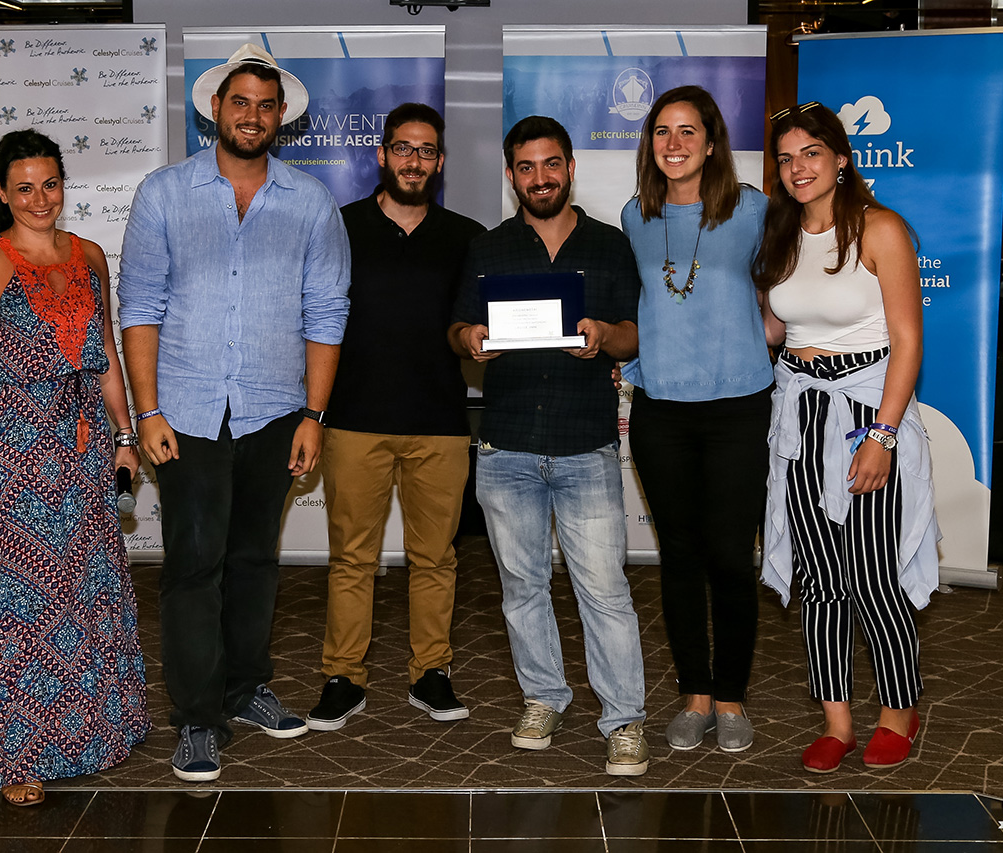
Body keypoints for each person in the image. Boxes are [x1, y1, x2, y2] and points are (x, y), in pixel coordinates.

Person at [118, 43, 351, 782]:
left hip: (276, 410)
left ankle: (246, 688)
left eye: (266, 105)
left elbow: (327, 311)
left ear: (281, 118)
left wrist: (315, 414)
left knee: (254, 560)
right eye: (240, 102)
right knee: (194, 565)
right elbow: (140, 307)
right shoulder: (164, 194)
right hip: (184, 412)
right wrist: (147, 411)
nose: (252, 115)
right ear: (214, 108)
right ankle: (196, 717)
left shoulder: (310, 202)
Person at [449, 115, 649, 776]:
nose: (541, 177)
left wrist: (605, 336)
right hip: (506, 445)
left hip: (585, 443)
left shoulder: (610, 245)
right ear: (512, 176)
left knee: (605, 589)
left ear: (570, 167)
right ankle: (543, 697)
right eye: (527, 167)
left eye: (551, 163)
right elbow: (457, 327)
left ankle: (623, 717)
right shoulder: (489, 248)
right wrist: (469, 340)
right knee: (522, 587)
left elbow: (634, 333)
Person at [0, 129, 151, 807]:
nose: (40, 199)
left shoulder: (89, 255)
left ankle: (102, 730)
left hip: (86, 445)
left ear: (63, 184)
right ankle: (23, 754)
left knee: (94, 590)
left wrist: (124, 435)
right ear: (2, 192)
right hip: (17, 448)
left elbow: (105, 354)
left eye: (50, 184)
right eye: (24, 188)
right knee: (30, 599)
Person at [753, 102, 940, 773]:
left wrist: (883, 436)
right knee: (820, 577)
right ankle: (837, 722)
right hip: (801, 413)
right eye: (785, 158)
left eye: (811, 153)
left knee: (872, 573)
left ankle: (898, 711)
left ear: (840, 158)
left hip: (867, 409)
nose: (798, 168)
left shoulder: (879, 228)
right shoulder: (779, 235)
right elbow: (775, 331)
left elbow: (908, 341)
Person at [305, 104, 485, 732]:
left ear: (440, 161)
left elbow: (477, 324)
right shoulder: (340, 226)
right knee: (352, 559)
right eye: (404, 148)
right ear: (381, 155)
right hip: (354, 420)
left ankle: (431, 672)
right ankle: (343, 677)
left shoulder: (466, 236)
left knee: (436, 559)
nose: (415, 160)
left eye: (426, 150)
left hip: (441, 422)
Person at [619, 86, 773, 754]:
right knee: (679, 558)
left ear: (712, 143)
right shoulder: (635, 215)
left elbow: (781, 285)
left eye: (688, 131)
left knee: (731, 559)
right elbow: (640, 303)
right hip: (662, 412)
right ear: (649, 143)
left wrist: (767, 335)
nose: (674, 143)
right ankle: (696, 694)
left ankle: (732, 698)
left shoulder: (754, 209)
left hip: (738, 408)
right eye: (662, 131)